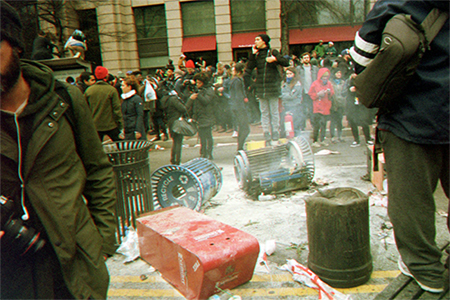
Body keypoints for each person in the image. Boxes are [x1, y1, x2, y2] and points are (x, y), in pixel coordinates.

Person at [0, 2, 117, 299]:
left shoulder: (65, 101)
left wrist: (101, 241)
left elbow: (98, 171)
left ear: (16, 46)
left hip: (73, 267)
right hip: (11, 274)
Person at [350, 0, 449, 293]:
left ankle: (425, 271)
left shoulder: (395, 2)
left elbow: (363, 58)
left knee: (411, 199)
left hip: (412, 117)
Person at [244, 34, 290, 145]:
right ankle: (266, 133)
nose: (255, 42)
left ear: (264, 41)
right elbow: (248, 69)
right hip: (261, 87)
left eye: (257, 40)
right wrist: (252, 55)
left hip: (272, 87)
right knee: (264, 112)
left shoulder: (272, 52)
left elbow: (285, 62)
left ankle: (275, 132)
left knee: (274, 112)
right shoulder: (257, 55)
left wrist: (275, 59)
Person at [84, 66, 124, 142]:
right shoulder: (111, 90)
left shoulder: (88, 91)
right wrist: (120, 125)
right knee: (120, 145)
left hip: (96, 126)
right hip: (111, 125)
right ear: (106, 76)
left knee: (97, 149)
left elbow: (85, 109)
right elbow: (117, 109)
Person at [186, 72, 216, 159]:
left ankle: (209, 152)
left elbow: (206, 101)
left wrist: (198, 95)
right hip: (200, 116)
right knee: (202, 136)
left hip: (207, 115)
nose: (197, 85)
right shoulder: (199, 90)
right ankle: (203, 152)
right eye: (197, 83)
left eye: (199, 83)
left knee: (208, 135)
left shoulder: (209, 90)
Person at [345, 73, 375, 147]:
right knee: (353, 123)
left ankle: (368, 139)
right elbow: (345, 94)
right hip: (352, 107)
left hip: (361, 106)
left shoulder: (362, 85)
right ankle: (356, 140)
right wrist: (350, 90)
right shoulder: (349, 86)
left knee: (364, 122)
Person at [160, 90, 189, 165]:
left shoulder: (164, 99)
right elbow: (183, 109)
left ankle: (173, 159)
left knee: (175, 141)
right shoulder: (174, 99)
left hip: (170, 121)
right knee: (178, 141)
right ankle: (178, 161)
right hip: (177, 121)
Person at [308, 68, 334, 147]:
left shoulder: (329, 83)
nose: (325, 78)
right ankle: (315, 140)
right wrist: (317, 95)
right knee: (317, 124)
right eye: (323, 77)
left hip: (326, 106)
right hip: (317, 107)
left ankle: (322, 139)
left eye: (326, 77)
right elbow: (310, 93)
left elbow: (332, 92)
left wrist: (329, 92)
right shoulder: (315, 83)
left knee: (324, 124)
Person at [229, 63, 250, 151]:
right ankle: (240, 147)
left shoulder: (233, 80)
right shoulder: (238, 81)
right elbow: (238, 95)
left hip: (235, 106)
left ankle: (240, 147)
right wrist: (243, 106)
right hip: (239, 107)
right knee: (245, 129)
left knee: (242, 128)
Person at [297, 52, 319, 131]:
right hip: (303, 92)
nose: (306, 59)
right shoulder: (299, 69)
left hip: (312, 92)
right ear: (301, 60)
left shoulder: (314, 68)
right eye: (305, 58)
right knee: (303, 110)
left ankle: (314, 126)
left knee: (313, 110)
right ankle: (302, 127)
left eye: (307, 57)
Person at [280, 67, 303, 137]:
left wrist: (285, 95)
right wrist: (286, 95)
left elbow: (292, 96)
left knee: (295, 124)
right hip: (286, 106)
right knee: (285, 124)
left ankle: (297, 138)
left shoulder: (297, 84)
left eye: (290, 74)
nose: (288, 75)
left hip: (295, 106)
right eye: (287, 74)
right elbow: (280, 93)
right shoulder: (284, 83)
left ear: (294, 74)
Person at [329, 68, 347, 143]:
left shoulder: (343, 82)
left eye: (340, 73)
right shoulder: (331, 83)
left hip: (341, 103)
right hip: (333, 103)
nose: (339, 74)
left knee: (339, 120)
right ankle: (332, 136)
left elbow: (345, 92)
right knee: (333, 120)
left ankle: (339, 136)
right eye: (337, 73)